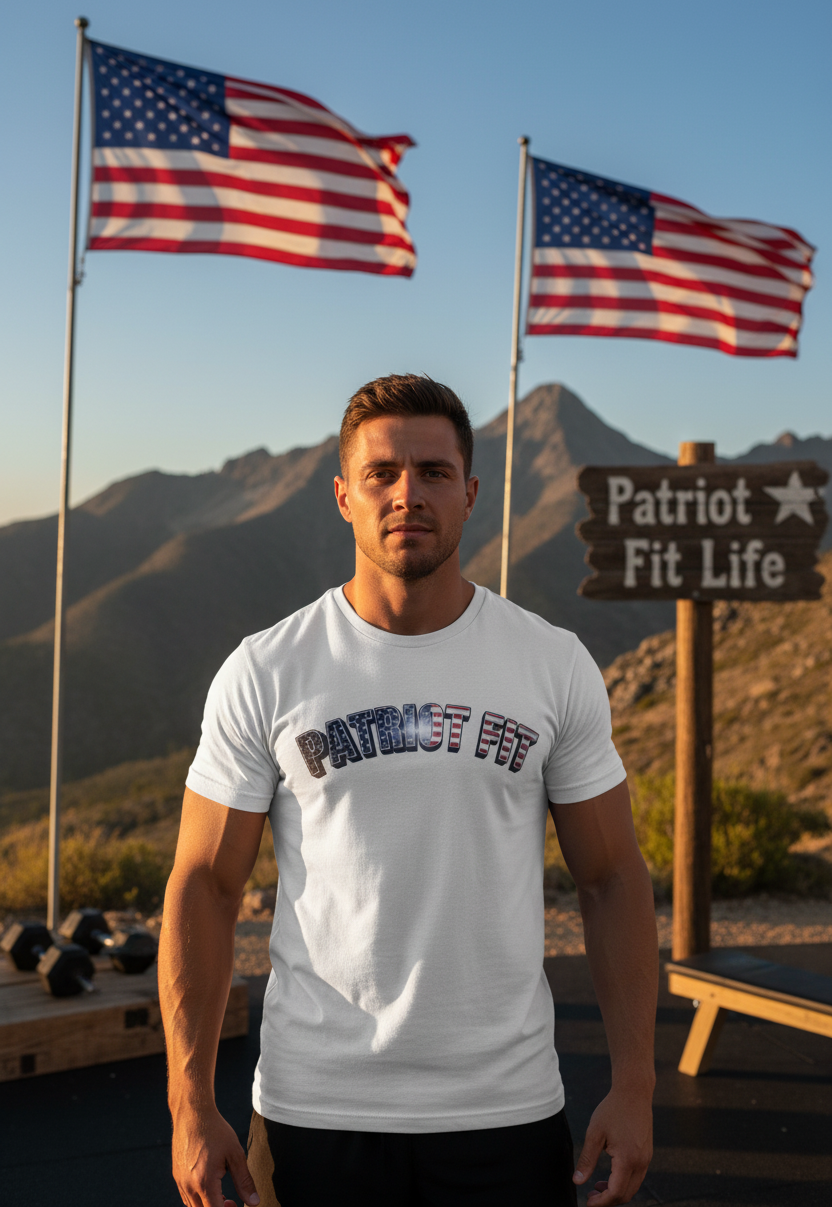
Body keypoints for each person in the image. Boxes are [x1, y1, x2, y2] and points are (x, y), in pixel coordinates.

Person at [159, 374, 658, 1207]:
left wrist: (636, 1084)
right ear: (344, 495)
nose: (407, 494)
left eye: (432, 473)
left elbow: (611, 878)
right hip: (311, 1109)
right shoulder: (266, 670)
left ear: (469, 494)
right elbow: (204, 886)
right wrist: (188, 1102)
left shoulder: (551, 663)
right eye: (383, 473)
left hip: (506, 1110)